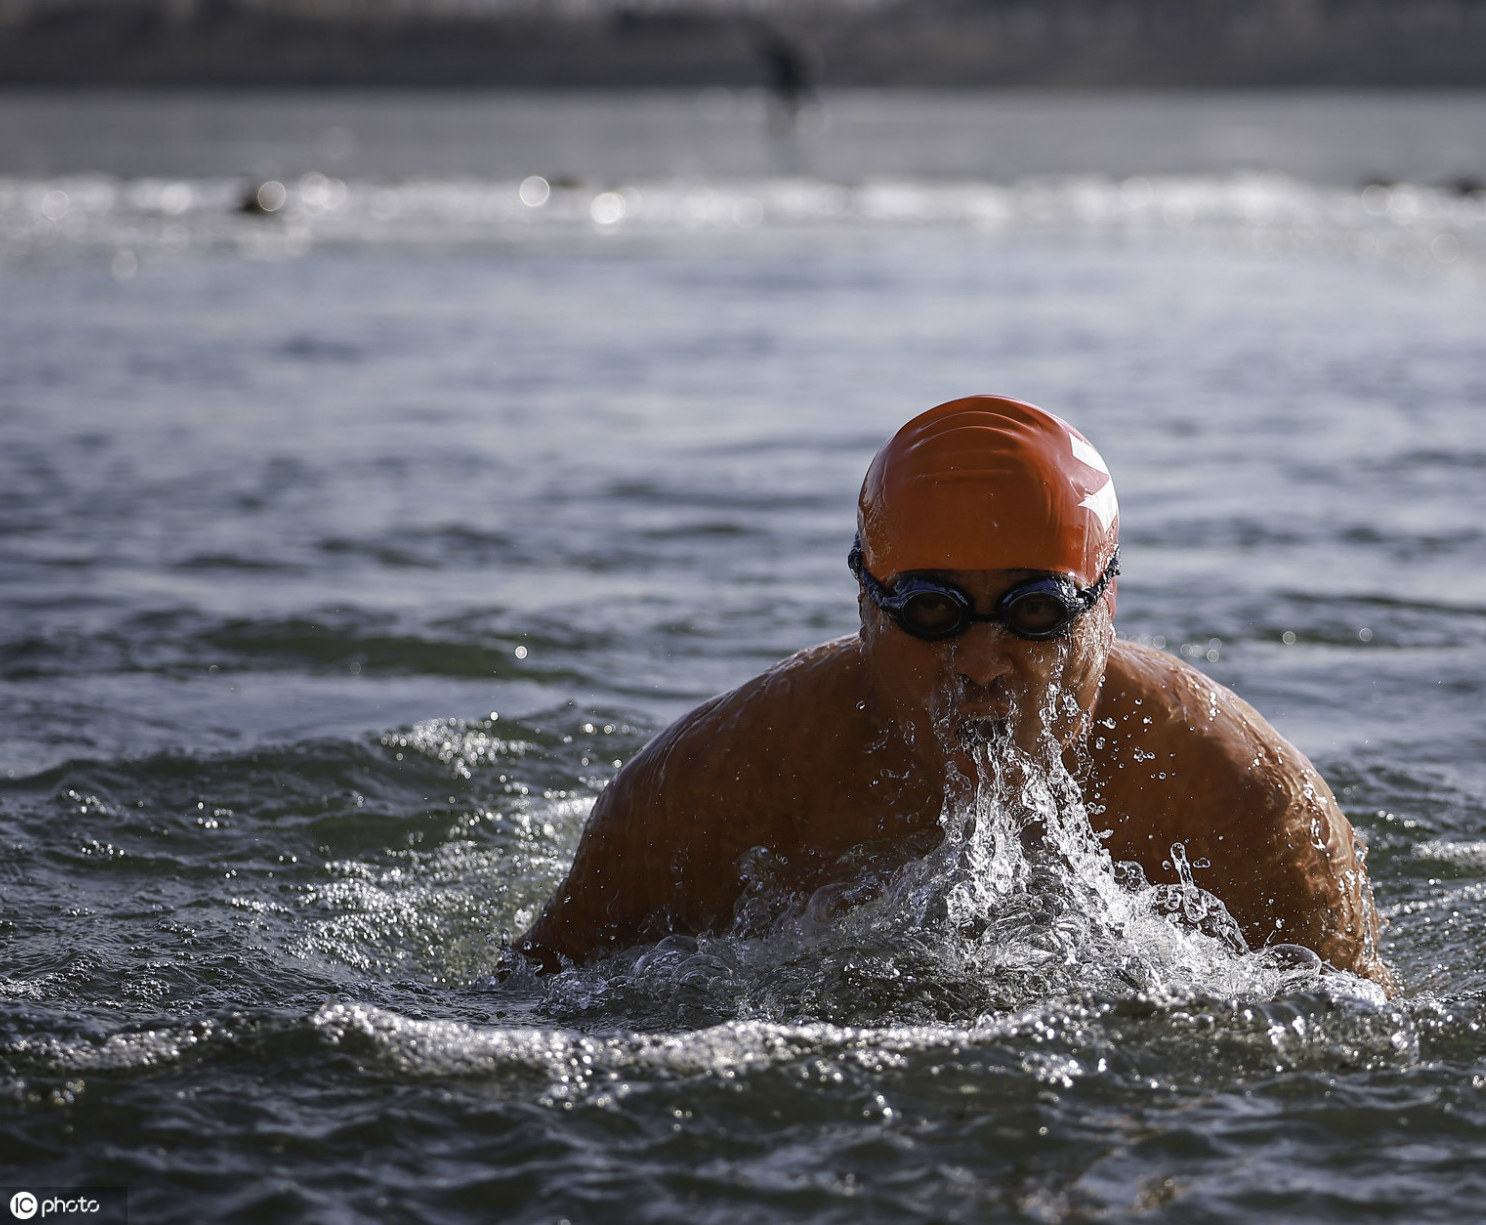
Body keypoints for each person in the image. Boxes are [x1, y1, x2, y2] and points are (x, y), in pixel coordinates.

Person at [508, 395, 1391, 988]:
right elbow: (529, 1004)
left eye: (1035, 612)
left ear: (1105, 607)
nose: (979, 659)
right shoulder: (716, 788)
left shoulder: (1246, 802)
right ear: (865, 605)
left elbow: (1355, 1056)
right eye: (931, 611)